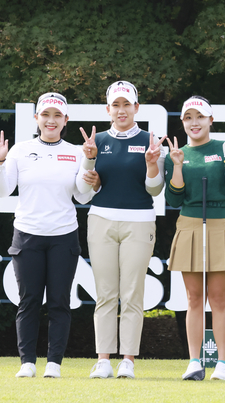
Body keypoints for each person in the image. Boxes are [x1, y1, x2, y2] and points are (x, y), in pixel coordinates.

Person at [0, 92, 100, 379]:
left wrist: (89, 163)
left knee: (60, 302)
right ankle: (27, 362)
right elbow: (2, 190)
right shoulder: (20, 151)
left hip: (64, 235)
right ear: (36, 118)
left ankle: (54, 364)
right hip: (27, 235)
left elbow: (83, 197)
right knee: (29, 301)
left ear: (65, 121)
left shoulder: (76, 151)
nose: (51, 120)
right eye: (45, 115)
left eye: (57, 116)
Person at [75, 80, 166, 379]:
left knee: (131, 293)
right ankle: (103, 359)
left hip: (139, 222)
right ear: (108, 109)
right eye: (116, 105)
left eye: (127, 104)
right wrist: (89, 158)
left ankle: (128, 359)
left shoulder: (149, 141)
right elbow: (85, 193)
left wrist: (152, 164)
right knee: (105, 292)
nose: (122, 110)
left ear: (136, 107)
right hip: (101, 220)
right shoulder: (96, 141)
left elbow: (153, 190)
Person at [164, 96, 225, 381]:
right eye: (188, 118)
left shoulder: (223, 149)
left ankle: (222, 363)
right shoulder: (177, 153)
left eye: (200, 117)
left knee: (219, 298)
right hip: (189, 222)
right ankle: (194, 361)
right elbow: (173, 199)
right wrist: (175, 166)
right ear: (183, 122)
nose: (194, 122)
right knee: (194, 297)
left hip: (221, 221)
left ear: (211, 120)